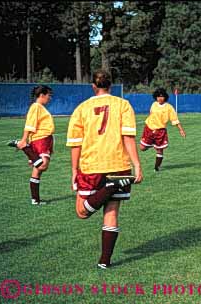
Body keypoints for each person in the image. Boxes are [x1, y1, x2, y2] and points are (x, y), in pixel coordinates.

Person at [66, 69, 143, 269]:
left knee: (82, 212)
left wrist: (74, 170)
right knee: (111, 212)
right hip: (119, 166)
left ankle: (109, 187)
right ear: (111, 85)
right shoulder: (123, 105)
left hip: (91, 164)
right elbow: (128, 137)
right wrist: (136, 165)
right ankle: (104, 261)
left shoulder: (81, 108)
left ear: (93, 86)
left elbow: (76, 143)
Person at [7, 85, 55, 205]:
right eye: (49, 95)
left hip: (44, 139)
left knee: (37, 170)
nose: (50, 98)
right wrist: (24, 140)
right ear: (42, 95)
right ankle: (23, 146)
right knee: (42, 165)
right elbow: (30, 124)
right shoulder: (36, 106)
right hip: (41, 139)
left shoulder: (40, 107)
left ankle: (35, 200)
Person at [139, 88, 186, 172]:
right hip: (149, 129)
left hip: (160, 131)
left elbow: (174, 119)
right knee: (142, 148)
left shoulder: (169, 107)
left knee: (160, 150)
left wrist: (181, 130)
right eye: (158, 97)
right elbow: (150, 114)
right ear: (155, 97)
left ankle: (157, 167)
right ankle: (152, 144)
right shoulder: (153, 104)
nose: (160, 98)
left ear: (165, 97)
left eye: (162, 96)